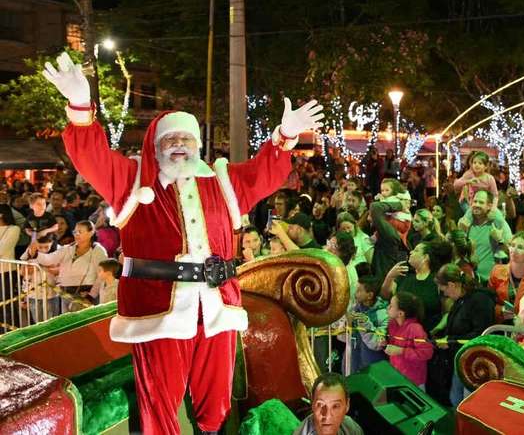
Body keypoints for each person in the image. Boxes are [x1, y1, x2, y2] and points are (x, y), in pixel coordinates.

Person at [43, 51, 323, 435]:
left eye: (186, 138)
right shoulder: (131, 181)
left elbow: (266, 172)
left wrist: (286, 135)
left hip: (217, 306)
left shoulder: (223, 180)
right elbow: (90, 156)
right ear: (157, 145)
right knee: (159, 406)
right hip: (157, 311)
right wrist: (79, 103)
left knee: (217, 405)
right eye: (170, 138)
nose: (178, 144)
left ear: (197, 144)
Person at [434, 263, 496, 406]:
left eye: (445, 290)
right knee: (456, 399)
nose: (445, 294)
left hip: (473, 361)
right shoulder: (461, 300)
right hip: (461, 357)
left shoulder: (480, 300)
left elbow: (481, 333)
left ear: (451, 285)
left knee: (463, 402)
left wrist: (451, 341)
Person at [34, 220, 108, 313]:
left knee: (85, 325)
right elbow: (49, 259)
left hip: (85, 294)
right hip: (66, 294)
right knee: (69, 325)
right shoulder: (68, 248)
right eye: (75, 232)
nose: (76, 234)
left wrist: (91, 295)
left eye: (80, 232)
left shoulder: (98, 250)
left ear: (91, 232)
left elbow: (102, 274)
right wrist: (35, 253)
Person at [380, 240, 447, 334]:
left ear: (425, 257)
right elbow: (385, 295)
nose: (411, 252)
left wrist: (436, 330)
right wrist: (389, 277)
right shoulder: (404, 275)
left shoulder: (437, 280)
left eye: (416, 250)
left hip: (427, 335)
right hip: (400, 333)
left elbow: (447, 311)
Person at [458, 190, 512, 282]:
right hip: (469, 280)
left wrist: (500, 240)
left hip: (490, 281)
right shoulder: (466, 224)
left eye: (481, 202)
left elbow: (510, 251)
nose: (477, 205)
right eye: (475, 201)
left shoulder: (496, 224)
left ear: (489, 206)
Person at [385, 292, 434, 389]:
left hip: (413, 382)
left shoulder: (415, 328)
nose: (387, 307)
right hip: (397, 377)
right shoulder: (393, 325)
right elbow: (393, 348)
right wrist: (385, 344)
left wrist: (401, 351)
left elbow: (427, 352)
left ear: (400, 313)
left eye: (391, 306)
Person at [293, 373, 364, 435]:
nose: (328, 416)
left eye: (335, 406)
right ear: (312, 404)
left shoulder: (351, 427)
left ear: (347, 405)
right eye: (320, 405)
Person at [347, 276, 388, 375]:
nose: (355, 294)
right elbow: (343, 338)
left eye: (359, 291)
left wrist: (364, 323)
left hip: (373, 370)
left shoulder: (383, 314)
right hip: (354, 364)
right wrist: (347, 323)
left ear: (369, 295)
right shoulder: (354, 309)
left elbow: (378, 343)